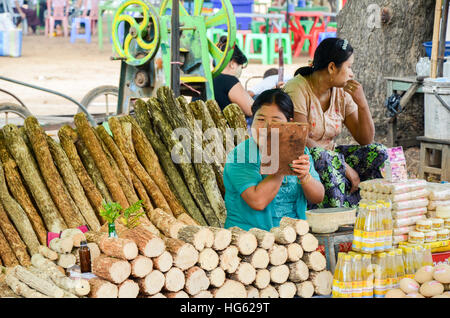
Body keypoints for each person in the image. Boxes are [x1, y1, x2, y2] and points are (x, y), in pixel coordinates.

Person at [284, 37, 388, 209]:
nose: (352, 73)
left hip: (332, 157)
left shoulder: (342, 92)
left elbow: (365, 139)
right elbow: (301, 139)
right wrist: (345, 167)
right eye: (349, 67)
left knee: (379, 152)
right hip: (306, 159)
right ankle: (337, 218)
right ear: (332, 67)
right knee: (324, 158)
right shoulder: (297, 88)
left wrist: (362, 104)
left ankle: (370, 210)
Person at [223, 89, 324, 231]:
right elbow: (257, 201)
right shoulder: (240, 155)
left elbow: (318, 197)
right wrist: (283, 162)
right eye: (261, 119)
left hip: (292, 235)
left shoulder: (301, 151)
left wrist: (305, 176)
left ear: (290, 124)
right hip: (249, 238)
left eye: (275, 121)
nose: (266, 128)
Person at [213, 35, 254, 117]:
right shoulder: (229, 80)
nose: (241, 71)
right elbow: (252, 110)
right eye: (241, 67)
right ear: (232, 63)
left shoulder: (210, 78)